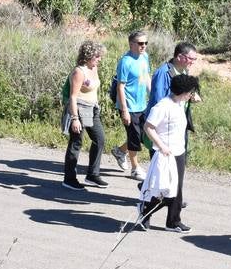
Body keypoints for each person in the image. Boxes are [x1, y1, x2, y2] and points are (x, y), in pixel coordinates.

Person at [136, 74, 201, 232]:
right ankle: (145, 209)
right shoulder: (163, 106)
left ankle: (173, 221)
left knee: (176, 189)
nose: (191, 95)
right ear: (183, 92)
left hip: (179, 151)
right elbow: (148, 127)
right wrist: (161, 145)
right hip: (165, 153)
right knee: (165, 189)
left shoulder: (180, 103)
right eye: (190, 92)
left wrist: (193, 98)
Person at [62, 40, 107, 190]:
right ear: (88, 56)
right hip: (79, 110)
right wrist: (74, 118)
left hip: (92, 109)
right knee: (76, 143)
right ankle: (69, 178)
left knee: (99, 139)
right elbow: (73, 97)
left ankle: (92, 175)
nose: (100, 59)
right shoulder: (78, 72)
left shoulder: (93, 68)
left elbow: (93, 89)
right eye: (97, 56)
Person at [110, 31, 151, 180]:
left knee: (142, 135)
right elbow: (121, 87)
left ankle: (120, 151)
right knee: (134, 136)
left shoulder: (145, 57)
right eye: (140, 43)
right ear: (131, 44)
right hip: (129, 105)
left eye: (146, 43)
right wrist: (125, 111)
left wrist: (153, 97)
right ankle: (135, 168)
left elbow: (147, 77)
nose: (144, 46)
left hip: (142, 104)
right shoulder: (125, 62)